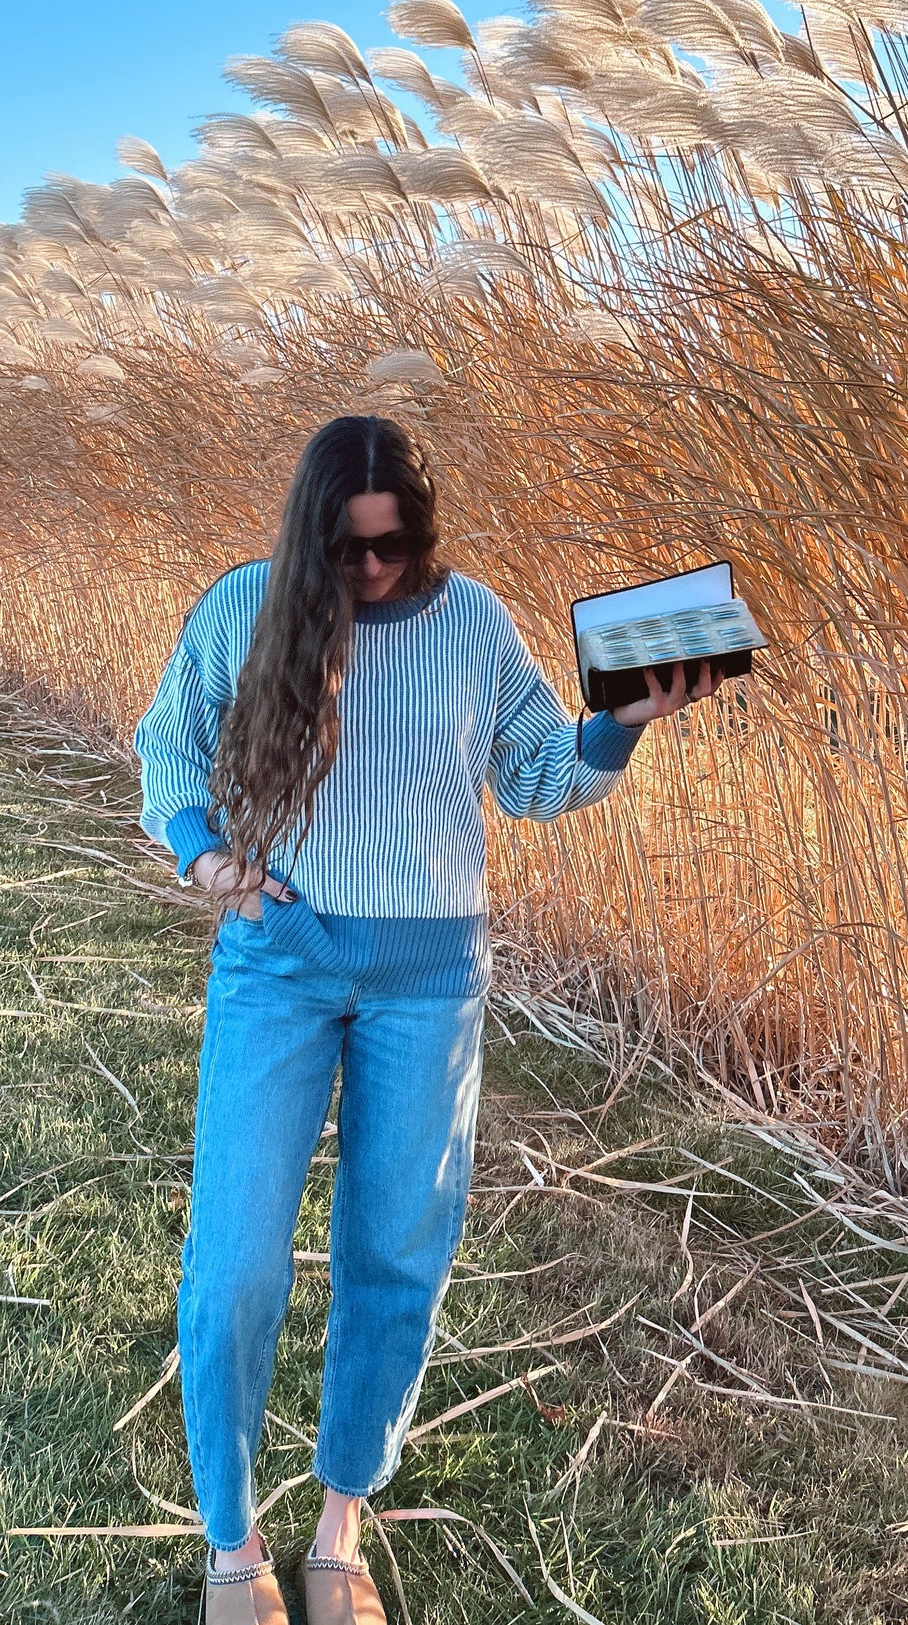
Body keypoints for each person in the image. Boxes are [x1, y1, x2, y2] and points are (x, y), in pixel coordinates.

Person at [133, 413, 721, 1624]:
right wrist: (203, 858)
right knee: (236, 1260)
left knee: (396, 1255)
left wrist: (620, 722)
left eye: (391, 547)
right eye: (344, 551)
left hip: (427, 985)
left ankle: (338, 1523)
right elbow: (165, 754)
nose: (368, 573)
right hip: (276, 967)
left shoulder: (472, 623)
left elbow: (538, 777)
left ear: (421, 531)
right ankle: (232, 1545)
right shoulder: (244, 608)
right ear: (309, 536)